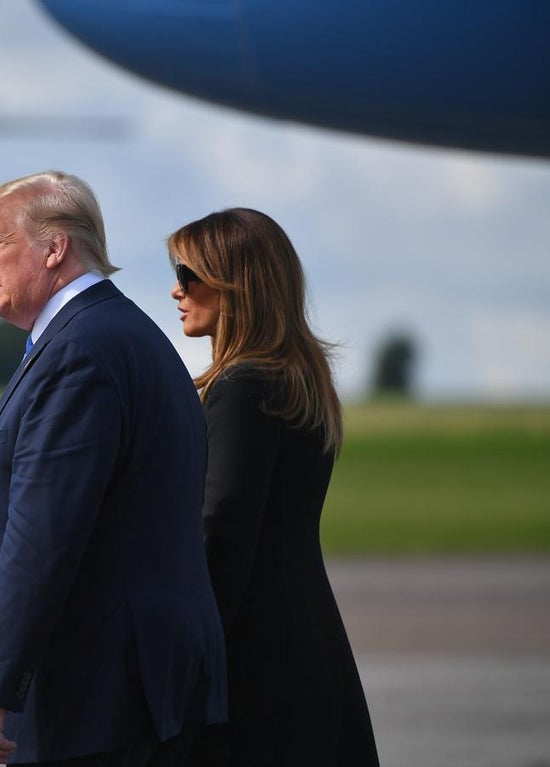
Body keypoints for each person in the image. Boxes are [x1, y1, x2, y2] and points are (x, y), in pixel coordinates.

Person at [0, 170, 227, 766]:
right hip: (128, 686)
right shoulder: (115, 335)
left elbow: (43, 536)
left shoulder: (80, 352)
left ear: (54, 249)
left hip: (97, 695)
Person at [166, 208, 379, 766]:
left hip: (251, 654)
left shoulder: (242, 384)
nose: (176, 289)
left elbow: (223, 526)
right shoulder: (296, 379)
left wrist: (190, 652)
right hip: (305, 633)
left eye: (188, 274)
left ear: (234, 283)